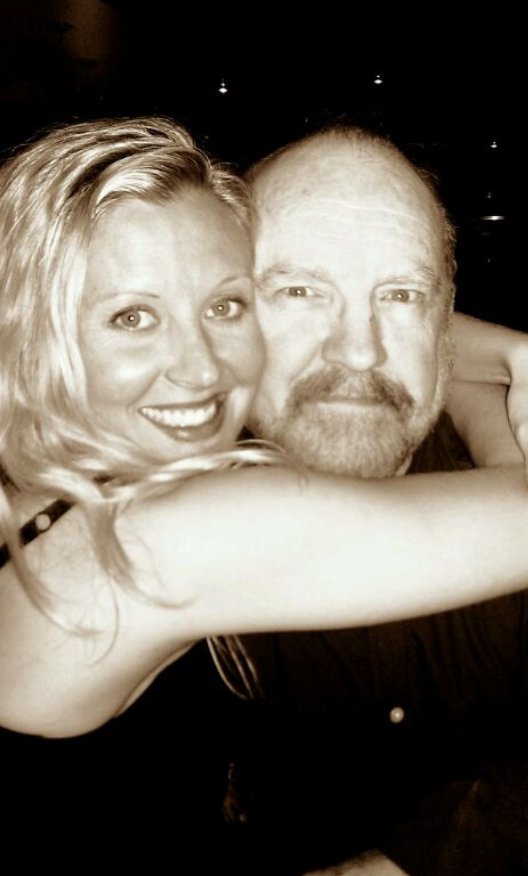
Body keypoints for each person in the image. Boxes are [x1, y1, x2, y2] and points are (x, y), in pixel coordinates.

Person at [0, 116, 526, 869]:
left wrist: (489, 360)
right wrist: (508, 372)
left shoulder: (68, 486)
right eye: (131, 317)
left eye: (224, 307)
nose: (202, 369)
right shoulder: (158, 539)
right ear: (27, 332)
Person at [220, 124, 528, 875]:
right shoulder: (145, 526)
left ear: (446, 321)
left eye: (400, 294)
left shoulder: (509, 458)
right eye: (298, 291)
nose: (358, 350)